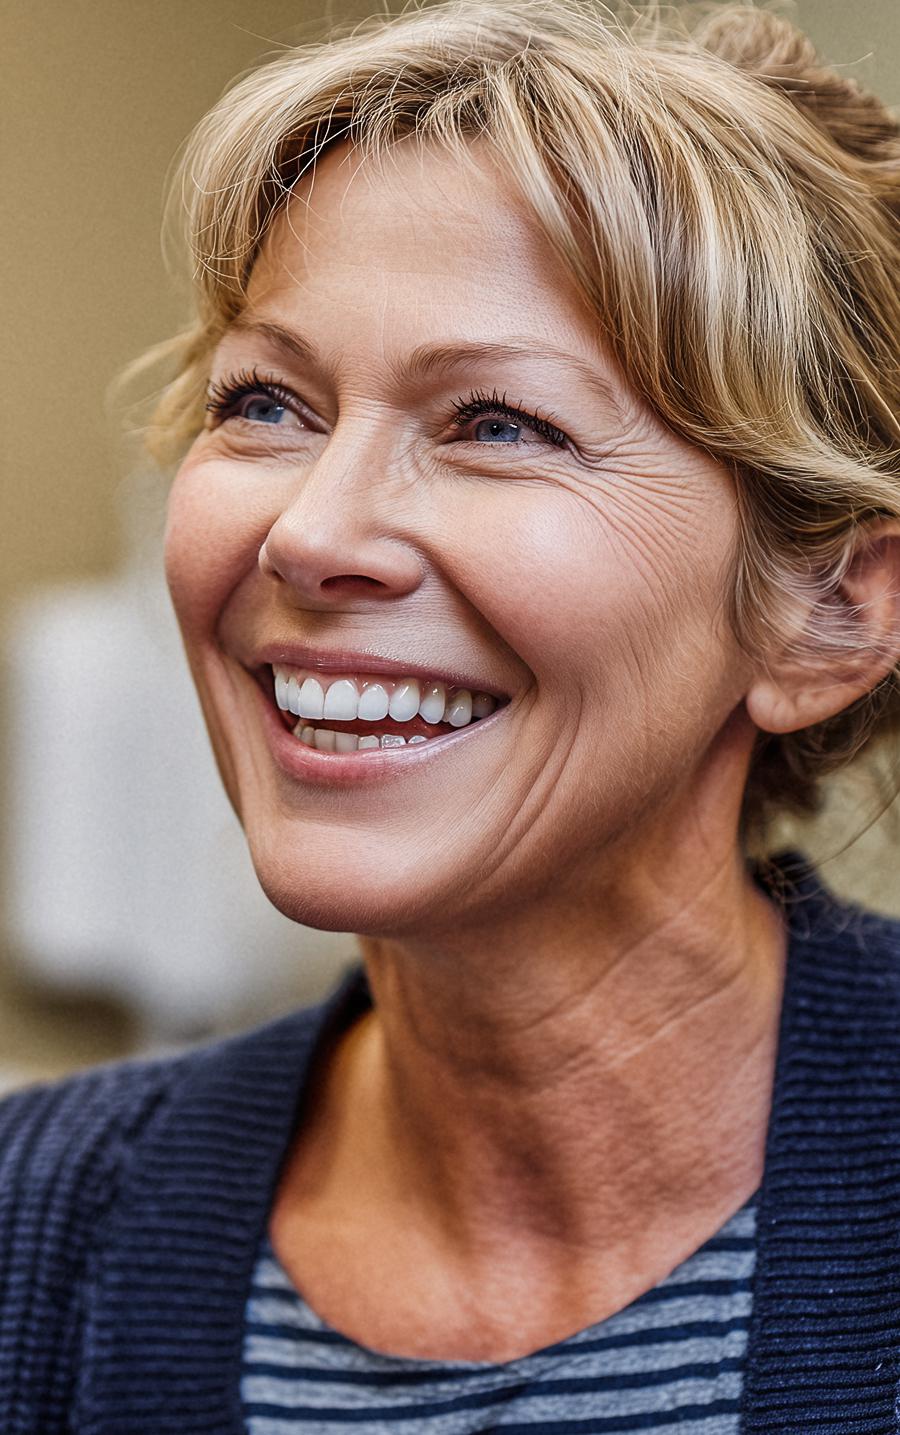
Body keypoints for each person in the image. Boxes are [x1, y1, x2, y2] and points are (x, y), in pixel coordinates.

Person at [2, 1, 899, 1429]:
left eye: (500, 424)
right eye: (268, 404)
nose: (310, 532)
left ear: (829, 610)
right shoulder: (26, 1240)